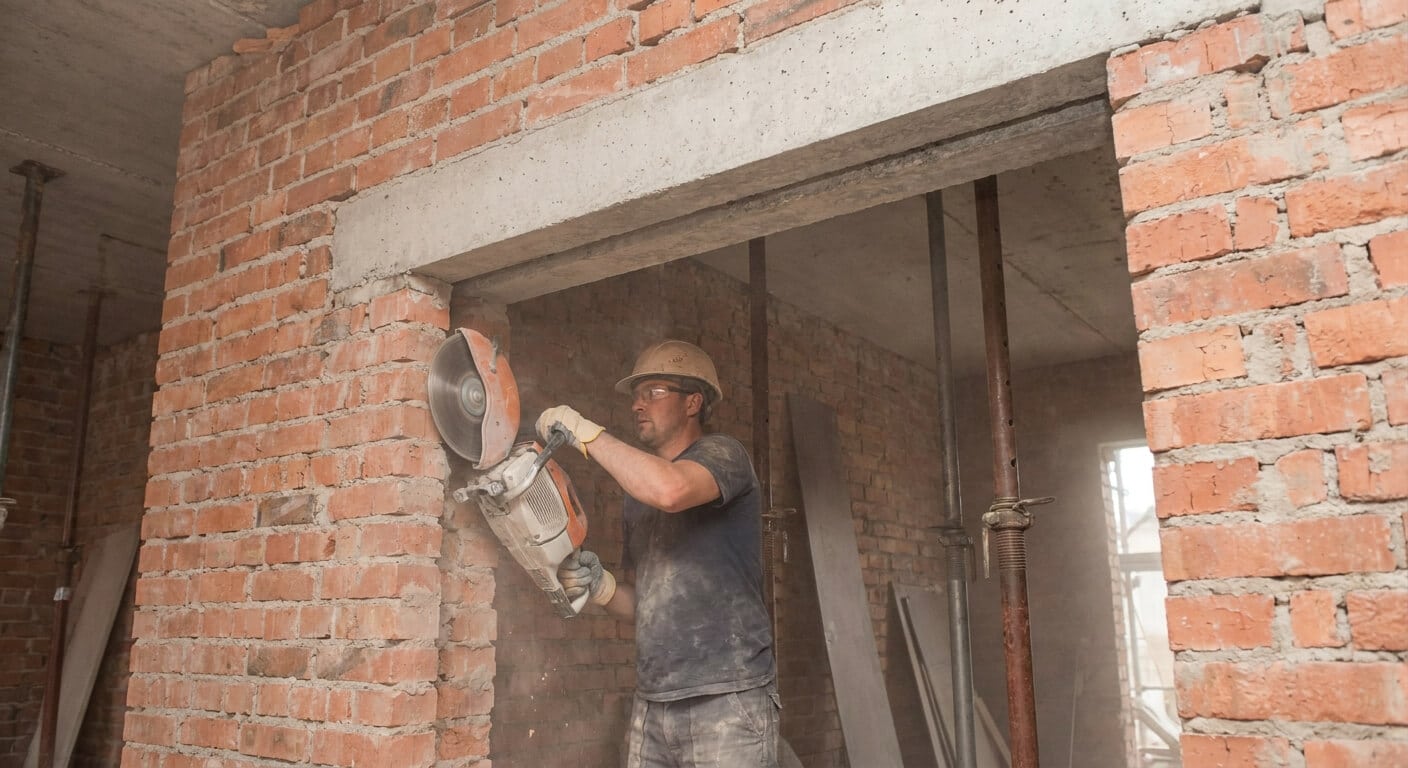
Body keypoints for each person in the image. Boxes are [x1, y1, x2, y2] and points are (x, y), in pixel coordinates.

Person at [535, 339, 778, 768]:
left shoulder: (724, 456)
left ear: (693, 402)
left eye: (654, 391)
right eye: (635, 394)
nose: (638, 404)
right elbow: (644, 603)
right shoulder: (637, 495)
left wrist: (586, 433)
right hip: (653, 702)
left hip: (726, 697)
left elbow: (672, 489)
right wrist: (603, 587)